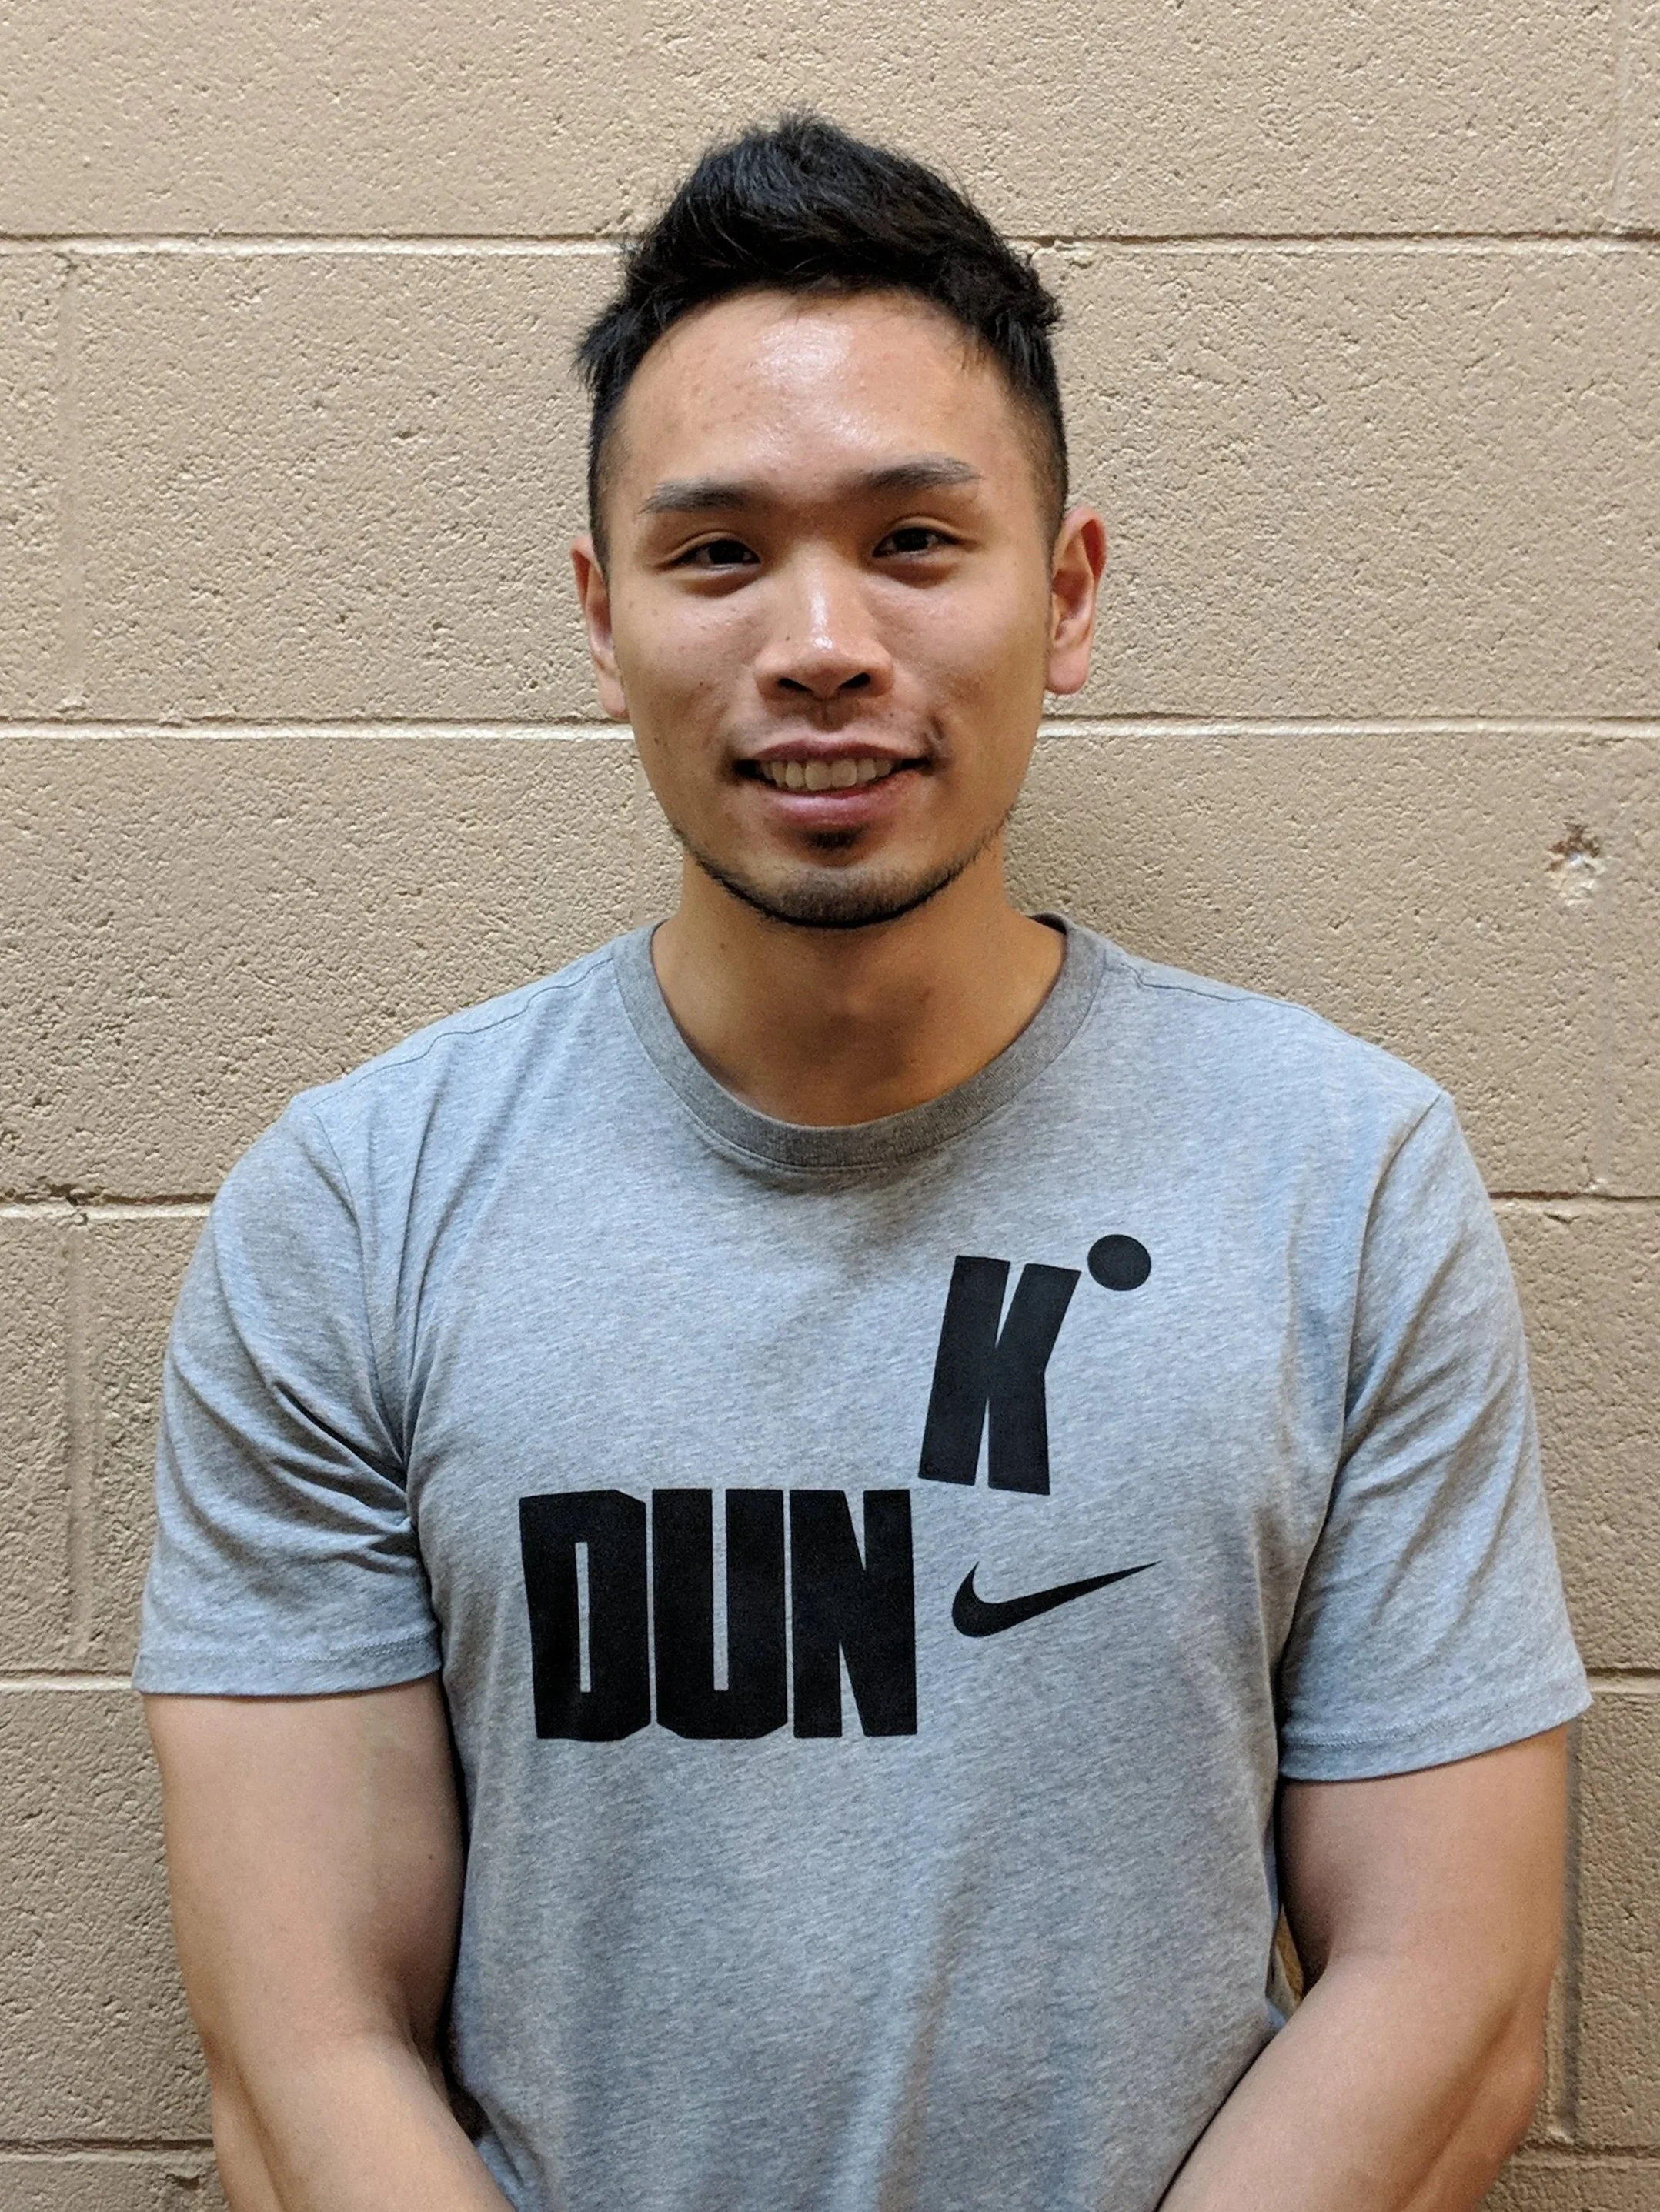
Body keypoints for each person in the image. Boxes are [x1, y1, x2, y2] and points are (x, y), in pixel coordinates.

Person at [137, 114, 1589, 2212]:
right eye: (717, 553)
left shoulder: (1338, 1178)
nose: (818, 641)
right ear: (603, 615)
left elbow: (1448, 1997)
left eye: (914, 542)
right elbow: (302, 2053)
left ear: (1064, 596)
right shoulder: (357, 1209)